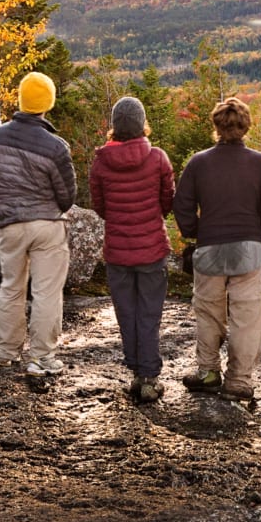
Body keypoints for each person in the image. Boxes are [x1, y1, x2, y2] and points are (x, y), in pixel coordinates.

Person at [173, 96, 261, 404]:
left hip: (209, 249)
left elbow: (181, 204)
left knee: (208, 312)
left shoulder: (198, 162)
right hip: (249, 250)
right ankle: (239, 379)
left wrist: (195, 231)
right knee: (246, 316)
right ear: (246, 126)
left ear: (216, 126)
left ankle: (208, 372)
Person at [0, 72, 77, 377]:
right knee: (47, 292)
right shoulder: (55, 146)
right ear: (48, 102)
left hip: (9, 224)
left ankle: (6, 351)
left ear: (21, 99)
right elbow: (67, 197)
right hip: (47, 224)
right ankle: (41, 358)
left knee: (11, 287)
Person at [89, 95, 176, 403]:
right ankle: (150, 377)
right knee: (149, 314)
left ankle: (137, 373)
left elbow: (100, 207)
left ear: (114, 126)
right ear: (142, 124)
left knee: (126, 313)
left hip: (117, 252)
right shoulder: (158, 158)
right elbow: (168, 201)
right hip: (152, 249)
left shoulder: (101, 162)